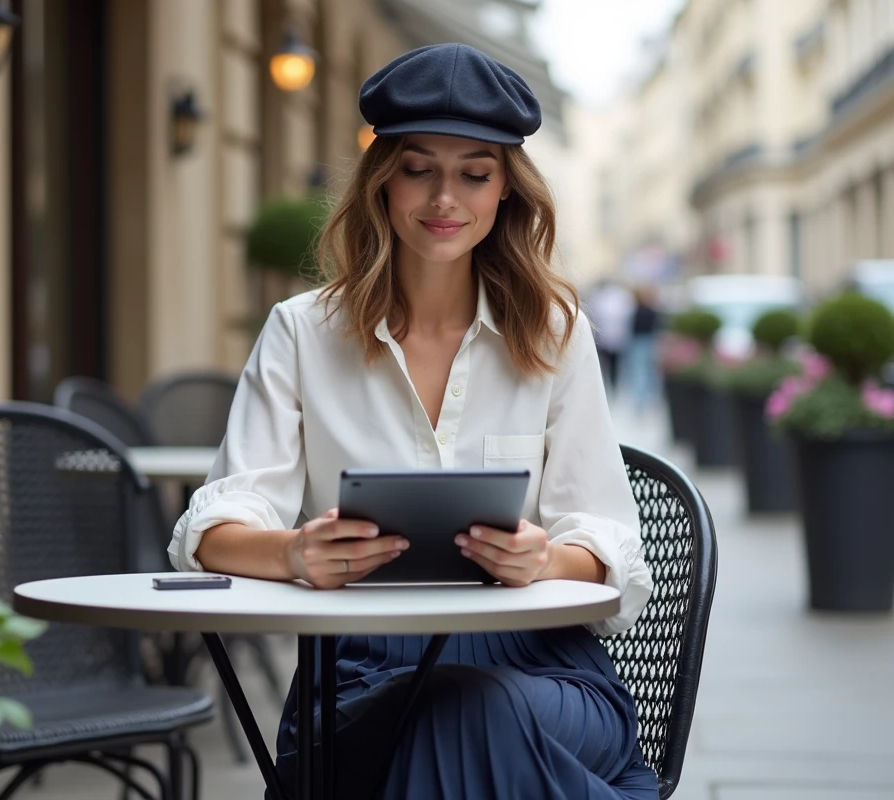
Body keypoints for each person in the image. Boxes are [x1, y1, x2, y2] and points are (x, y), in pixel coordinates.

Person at [169, 43, 657, 800]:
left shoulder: (556, 333)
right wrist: (297, 553)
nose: (443, 198)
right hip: (359, 673)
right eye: (418, 167)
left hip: (540, 666)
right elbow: (210, 536)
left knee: (468, 711)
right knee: (456, 720)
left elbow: (613, 550)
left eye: (474, 172)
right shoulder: (301, 333)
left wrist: (542, 560)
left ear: (505, 192)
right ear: (382, 181)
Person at [585, 278, 636, 394]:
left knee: (612, 364)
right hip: (605, 338)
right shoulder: (604, 298)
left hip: (615, 338)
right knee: (606, 363)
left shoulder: (620, 297)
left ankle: (612, 385)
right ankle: (609, 385)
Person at [625, 285, 663, 412]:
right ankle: (647, 398)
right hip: (648, 343)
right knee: (647, 372)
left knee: (640, 371)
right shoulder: (652, 311)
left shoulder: (637, 311)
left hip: (640, 343)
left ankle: (642, 399)